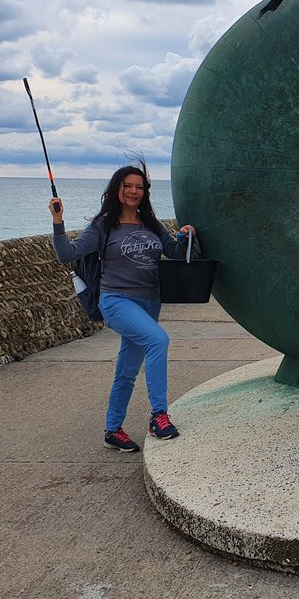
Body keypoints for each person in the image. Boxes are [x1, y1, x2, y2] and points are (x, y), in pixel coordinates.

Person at [50, 162, 196, 452]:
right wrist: (58, 221)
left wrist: (184, 235)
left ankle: (112, 430)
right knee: (158, 340)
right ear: (117, 189)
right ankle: (159, 416)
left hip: (150, 301)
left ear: (145, 192)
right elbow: (67, 253)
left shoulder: (151, 224)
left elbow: (176, 254)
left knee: (127, 369)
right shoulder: (103, 225)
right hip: (116, 301)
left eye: (139, 187)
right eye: (127, 186)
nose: (133, 191)